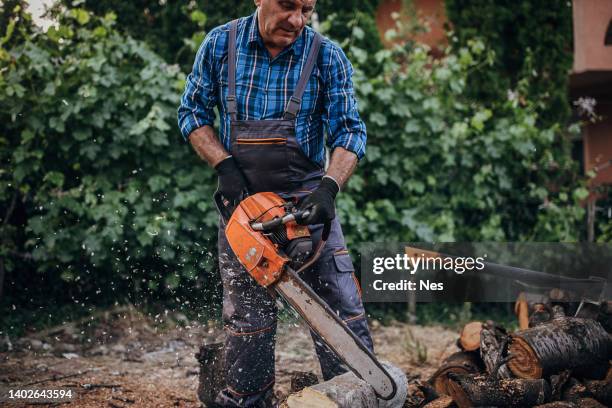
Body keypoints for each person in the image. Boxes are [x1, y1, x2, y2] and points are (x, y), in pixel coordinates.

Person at [178, 0, 371, 406]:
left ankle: (358, 395)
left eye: (307, 9)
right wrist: (224, 164)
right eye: (287, 6)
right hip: (244, 209)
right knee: (248, 323)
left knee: (342, 311)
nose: (297, 20)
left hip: (307, 206)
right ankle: (249, 401)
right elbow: (193, 113)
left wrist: (329, 188)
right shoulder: (219, 45)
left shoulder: (327, 56)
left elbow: (349, 132)